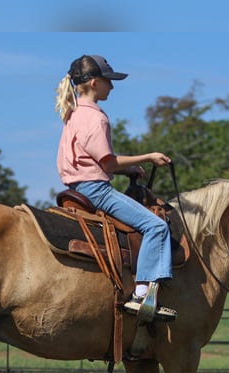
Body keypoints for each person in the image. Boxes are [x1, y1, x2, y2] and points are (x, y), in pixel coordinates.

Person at [55, 54, 177, 323]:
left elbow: (95, 160)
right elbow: (108, 163)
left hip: (76, 186)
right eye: (109, 82)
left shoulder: (73, 114)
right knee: (156, 226)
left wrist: (127, 169)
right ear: (95, 83)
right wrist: (148, 157)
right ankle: (141, 295)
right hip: (96, 190)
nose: (112, 87)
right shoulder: (96, 118)